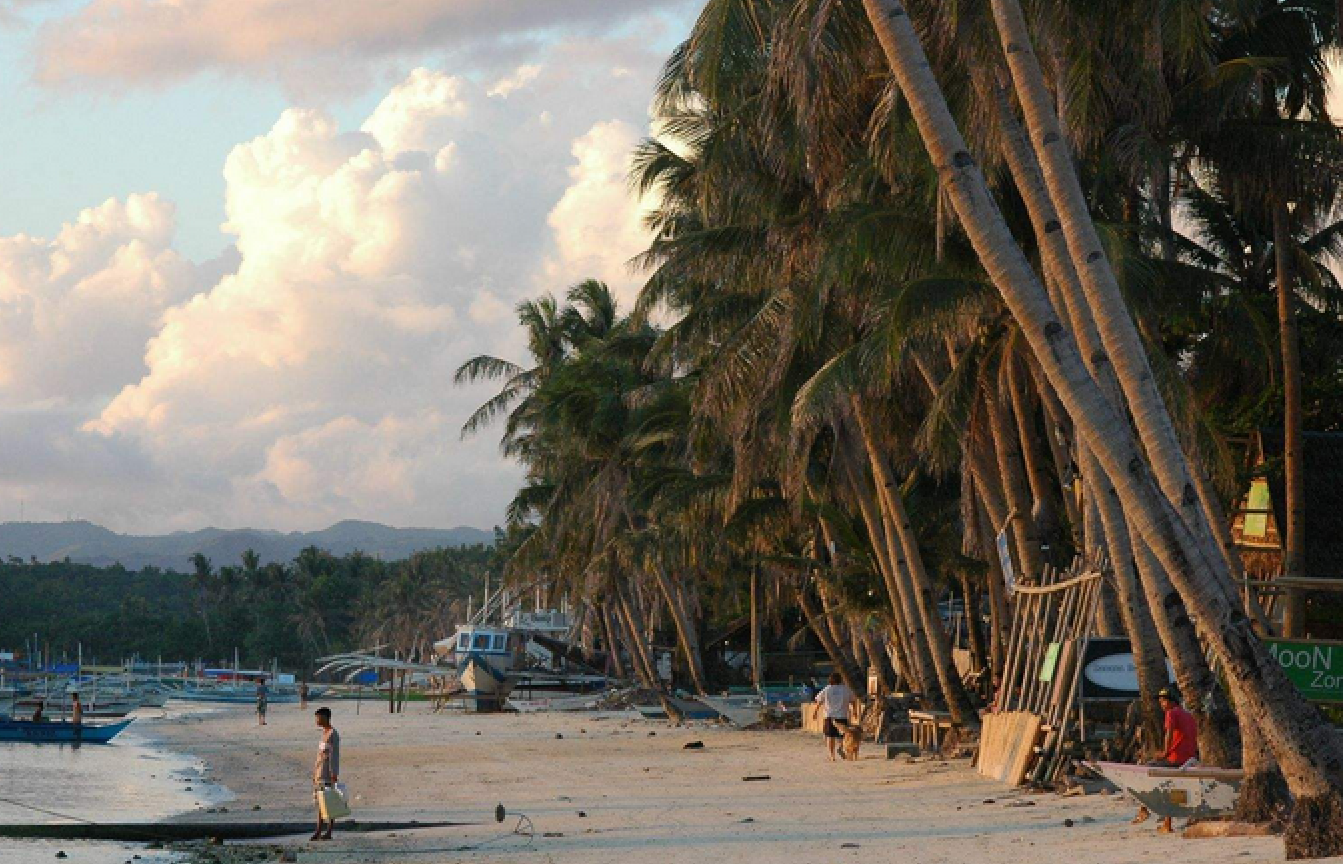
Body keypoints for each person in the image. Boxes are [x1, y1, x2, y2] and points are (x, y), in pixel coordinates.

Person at [1133, 688, 1199, 833]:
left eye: (1163, 701)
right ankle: (1167, 824)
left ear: (1171, 701)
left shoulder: (1171, 713)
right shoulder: (1189, 716)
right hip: (1189, 760)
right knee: (1170, 788)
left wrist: (1164, 752)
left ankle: (1143, 809)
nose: (1161, 704)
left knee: (1145, 769)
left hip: (1175, 758)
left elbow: (1168, 734)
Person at [814, 672, 859, 762]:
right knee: (842, 736)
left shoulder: (827, 689)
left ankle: (832, 756)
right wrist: (855, 711)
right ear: (840, 679)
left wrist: (815, 712)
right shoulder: (846, 689)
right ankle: (841, 748)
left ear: (830, 680)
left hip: (829, 716)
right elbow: (853, 700)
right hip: (842, 716)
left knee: (830, 737)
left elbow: (819, 701)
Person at [311, 707, 341, 841]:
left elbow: (334, 755)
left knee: (329, 802)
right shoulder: (324, 733)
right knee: (320, 802)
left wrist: (334, 773)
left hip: (327, 774)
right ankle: (318, 830)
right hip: (319, 772)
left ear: (325, 717)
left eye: (318, 717)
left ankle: (328, 831)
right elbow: (320, 755)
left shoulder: (333, 734)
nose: (316, 720)